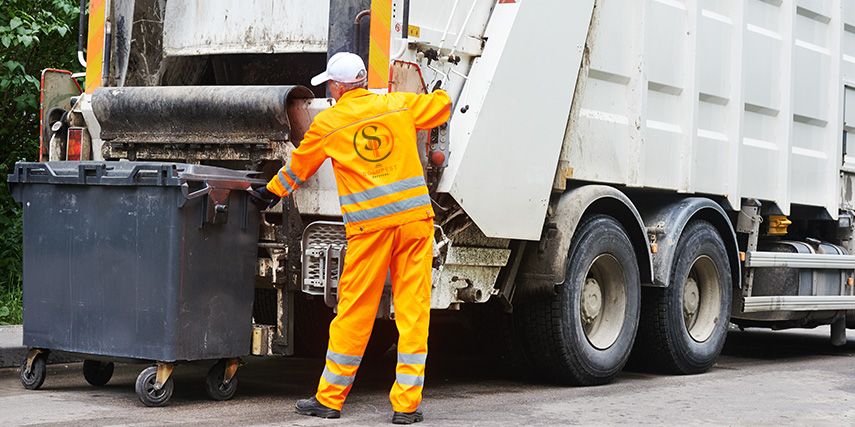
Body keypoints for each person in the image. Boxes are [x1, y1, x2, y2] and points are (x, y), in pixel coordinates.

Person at [253, 52, 451, 424]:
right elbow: (440, 108)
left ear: (339, 87)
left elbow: (298, 169)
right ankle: (406, 407)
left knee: (355, 313)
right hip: (414, 225)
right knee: (412, 313)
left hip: (370, 231)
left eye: (330, 84)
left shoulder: (329, 122)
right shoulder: (397, 105)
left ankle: (330, 400)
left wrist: (267, 193)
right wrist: (440, 87)